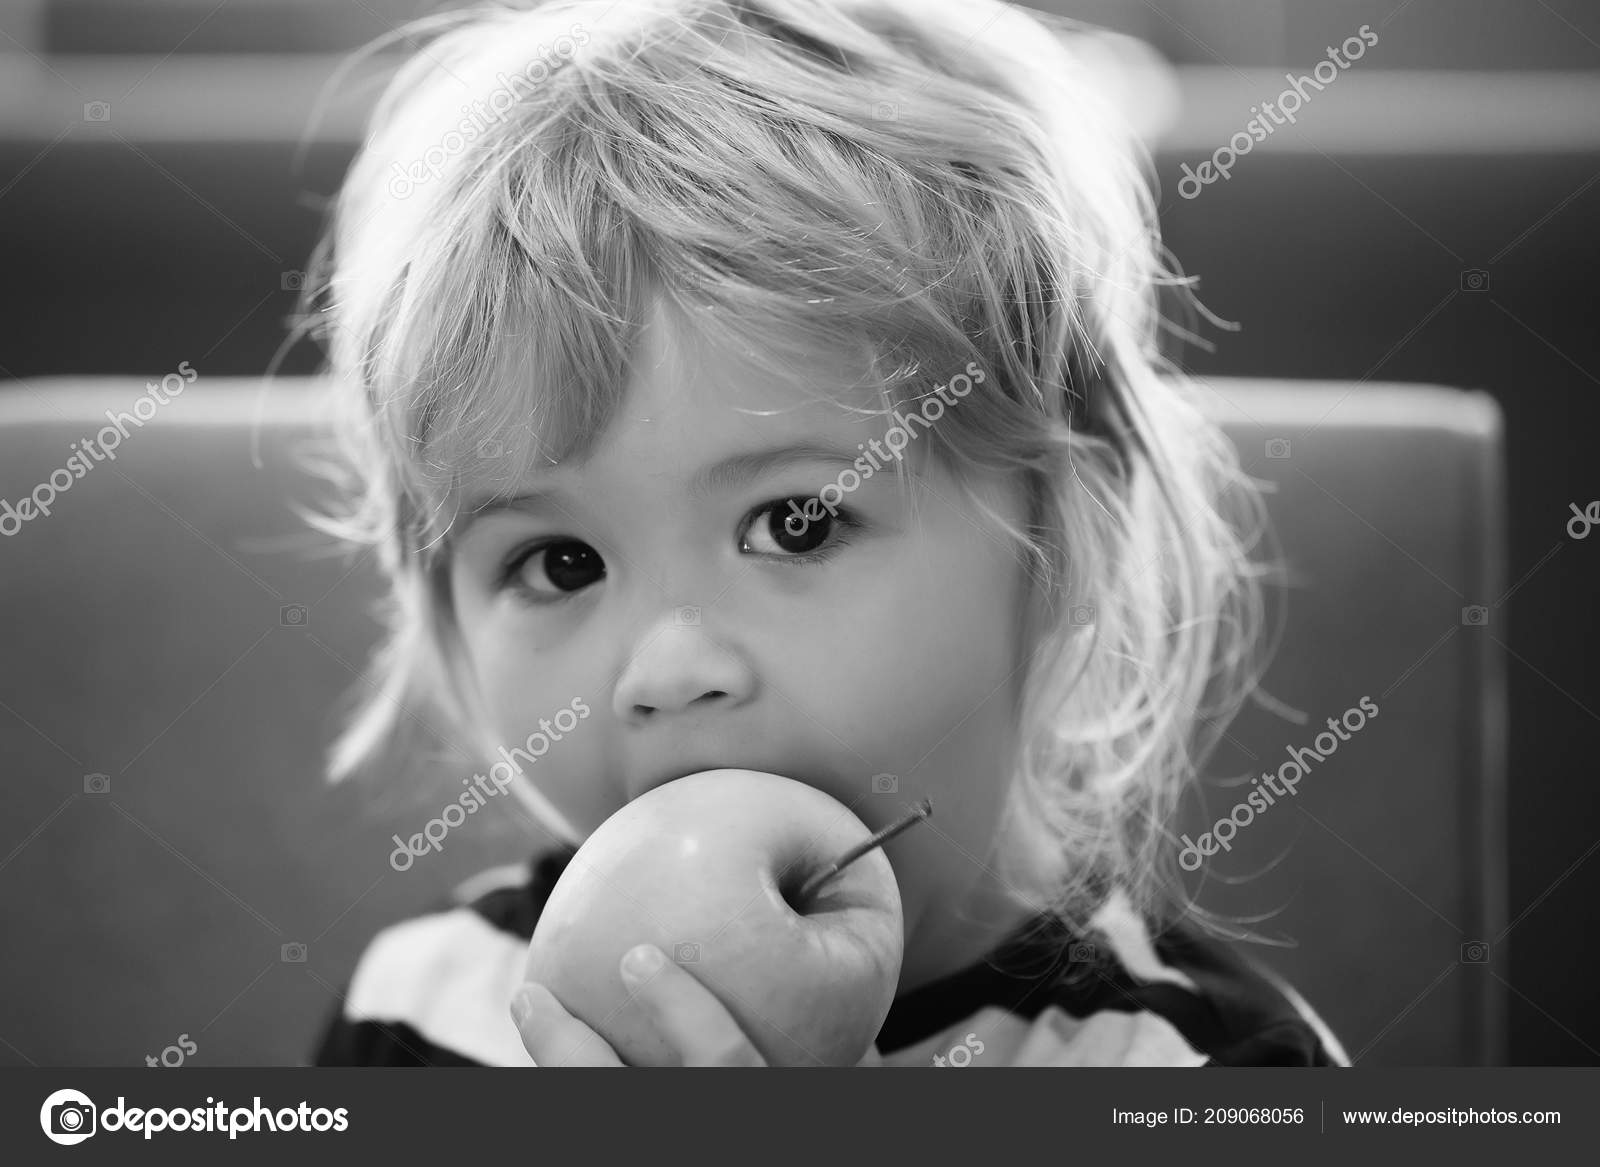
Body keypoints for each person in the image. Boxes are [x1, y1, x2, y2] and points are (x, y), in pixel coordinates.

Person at [301, 0, 1345, 1067]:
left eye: (794, 525)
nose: (665, 670)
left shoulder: (1198, 1063)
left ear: (1075, 536)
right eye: (559, 563)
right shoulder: (419, 1015)